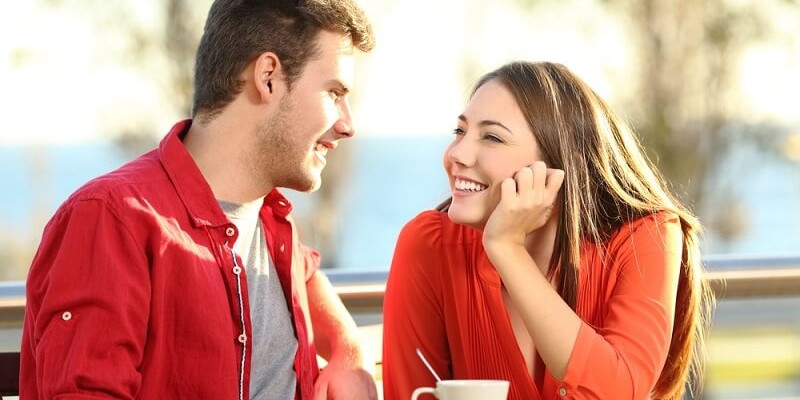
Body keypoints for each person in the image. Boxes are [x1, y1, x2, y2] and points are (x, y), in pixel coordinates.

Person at [20, 1, 377, 399]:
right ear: (269, 77)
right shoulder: (111, 219)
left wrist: (349, 348)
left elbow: (308, 276)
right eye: (334, 92)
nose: (348, 125)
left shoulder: (272, 227)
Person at [382, 61, 714, 400]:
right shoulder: (429, 245)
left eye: (492, 137)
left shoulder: (647, 236)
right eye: (460, 132)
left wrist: (507, 250)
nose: (457, 154)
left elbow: (618, 391)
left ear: (559, 164)